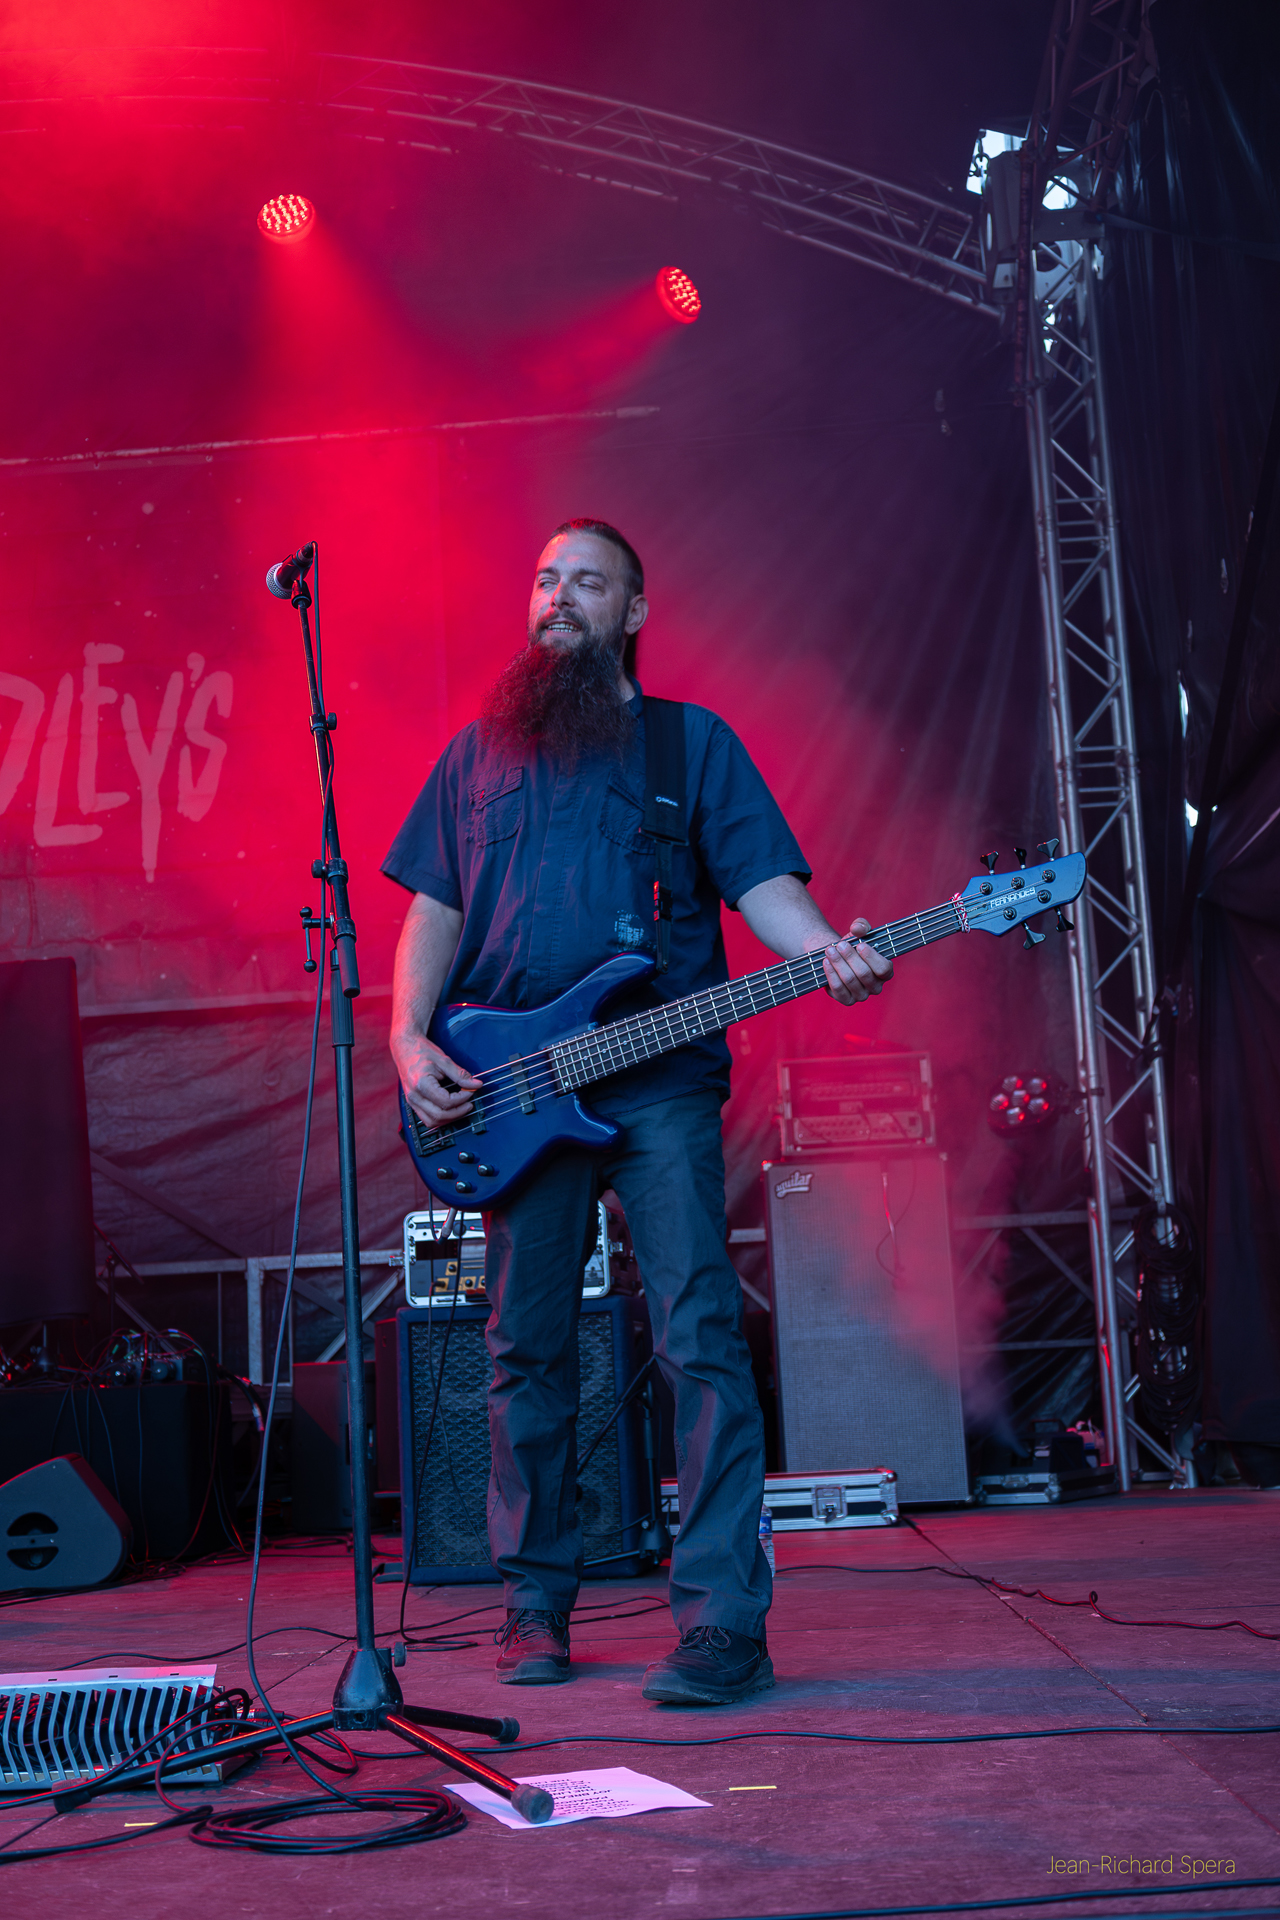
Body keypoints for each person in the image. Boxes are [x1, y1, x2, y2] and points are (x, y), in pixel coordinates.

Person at [383, 519, 892, 1705]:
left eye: (587, 582)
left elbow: (763, 883)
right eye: (544, 579)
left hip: (658, 1077)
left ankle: (721, 1625)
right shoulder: (474, 759)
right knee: (522, 1348)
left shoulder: (687, 744)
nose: (558, 598)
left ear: (634, 611)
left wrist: (826, 952)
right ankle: (533, 1604)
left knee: (696, 1334)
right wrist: (407, 1041)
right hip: (513, 1095)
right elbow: (432, 913)